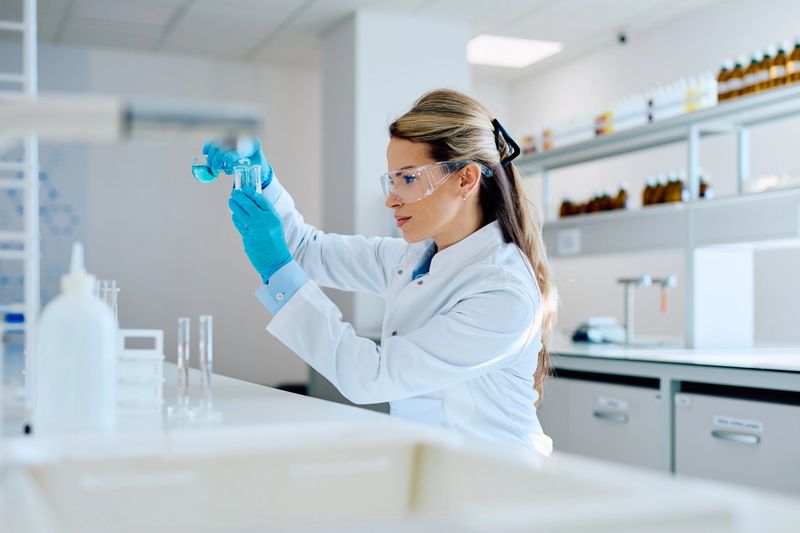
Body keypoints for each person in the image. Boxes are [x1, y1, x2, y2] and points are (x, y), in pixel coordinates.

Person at [211, 89, 557, 453]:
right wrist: (263, 182)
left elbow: (370, 377)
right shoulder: (414, 258)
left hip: (497, 481)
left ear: (466, 179)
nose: (391, 198)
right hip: (437, 465)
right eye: (392, 180)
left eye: (408, 178)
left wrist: (278, 270)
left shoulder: (502, 292)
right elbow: (308, 251)